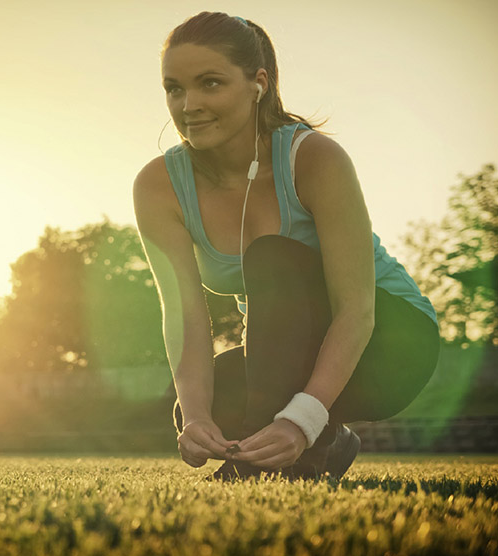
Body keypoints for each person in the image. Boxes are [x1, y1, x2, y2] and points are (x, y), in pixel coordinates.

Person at [132, 12, 440, 480]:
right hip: (287, 355)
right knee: (206, 403)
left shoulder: (314, 159)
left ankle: (272, 463)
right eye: (174, 88)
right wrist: (196, 416)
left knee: (272, 256)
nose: (188, 104)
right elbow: (184, 315)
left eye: (210, 83)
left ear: (258, 84)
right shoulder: (159, 185)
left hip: (389, 341)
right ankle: (330, 443)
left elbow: (356, 310)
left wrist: (302, 418)